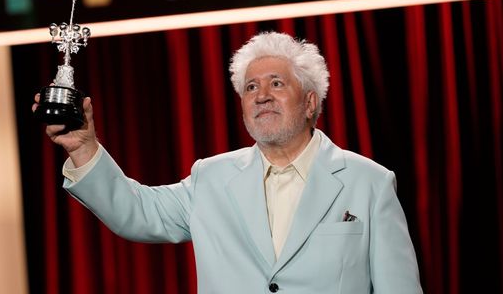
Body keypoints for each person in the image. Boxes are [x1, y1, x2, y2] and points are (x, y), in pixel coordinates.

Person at [34, 31, 423, 293]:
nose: (261, 96)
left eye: (276, 83)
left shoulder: (369, 182)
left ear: (310, 102)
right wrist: (84, 148)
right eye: (250, 87)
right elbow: (137, 212)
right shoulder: (210, 178)